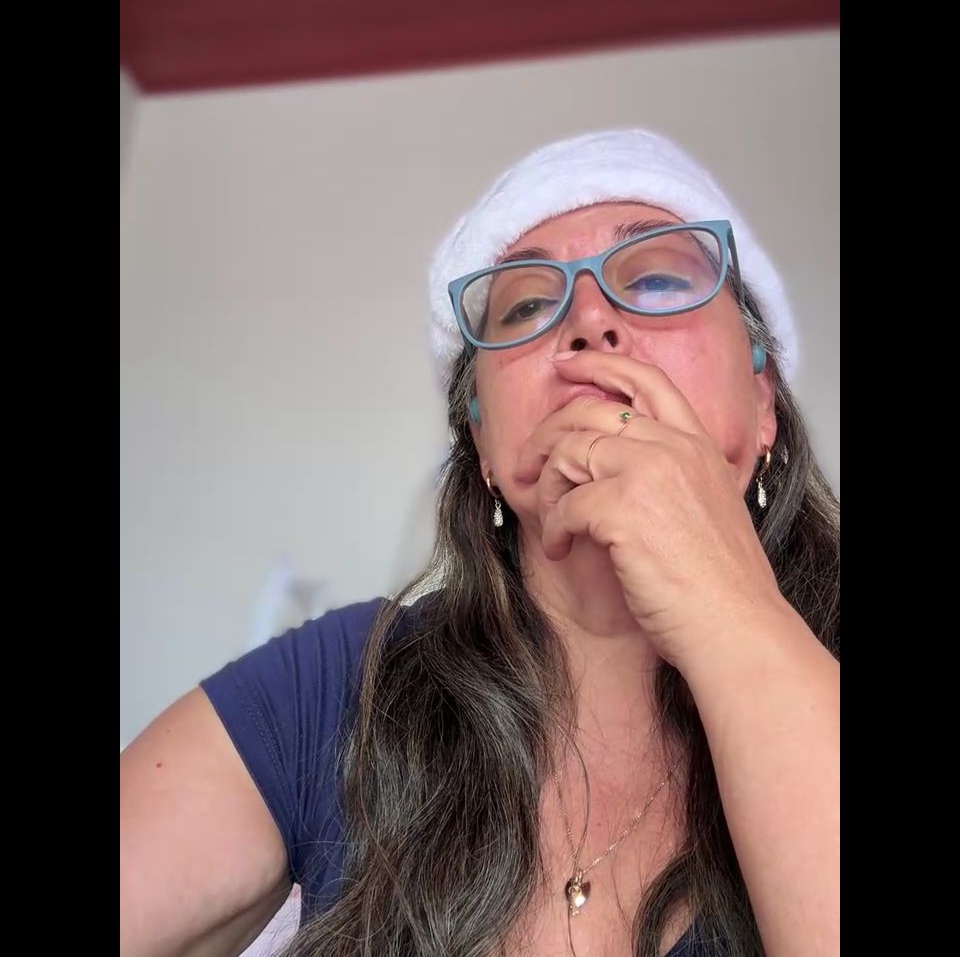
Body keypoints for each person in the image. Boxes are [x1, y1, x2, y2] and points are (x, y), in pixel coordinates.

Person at [120, 129, 840, 957]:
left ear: (762, 401)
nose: (590, 321)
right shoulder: (345, 687)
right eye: (528, 305)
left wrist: (730, 610)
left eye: (656, 278)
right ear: (485, 444)